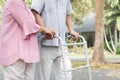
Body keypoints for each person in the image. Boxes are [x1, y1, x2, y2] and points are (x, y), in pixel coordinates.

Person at [0, 0, 55, 80]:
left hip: (25, 53)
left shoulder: (22, 4)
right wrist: (44, 30)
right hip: (15, 54)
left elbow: (30, 26)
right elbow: (28, 24)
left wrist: (44, 33)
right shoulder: (14, 1)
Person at [31, 0, 78, 80]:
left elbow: (67, 14)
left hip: (62, 44)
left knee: (66, 74)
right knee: (43, 76)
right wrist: (45, 30)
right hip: (45, 44)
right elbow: (34, 13)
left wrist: (71, 30)